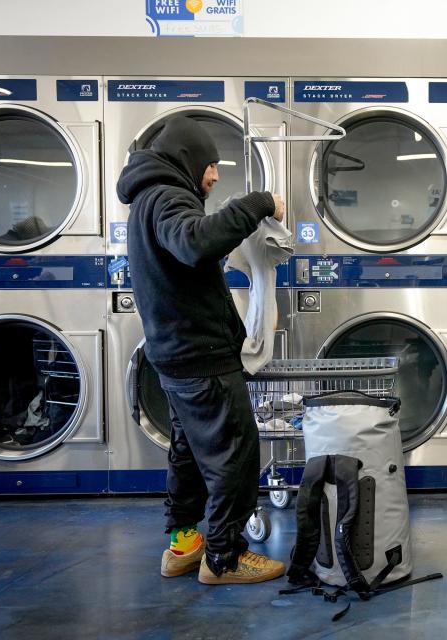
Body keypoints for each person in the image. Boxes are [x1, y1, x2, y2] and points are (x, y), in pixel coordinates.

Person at [117, 116, 286, 584]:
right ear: (189, 161)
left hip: (175, 355)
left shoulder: (150, 198)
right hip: (197, 356)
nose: (214, 175)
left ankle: (185, 546)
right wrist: (259, 204)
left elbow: (193, 250)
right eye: (210, 165)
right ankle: (225, 558)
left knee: (190, 451)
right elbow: (194, 243)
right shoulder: (169, 197)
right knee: (235, 449)